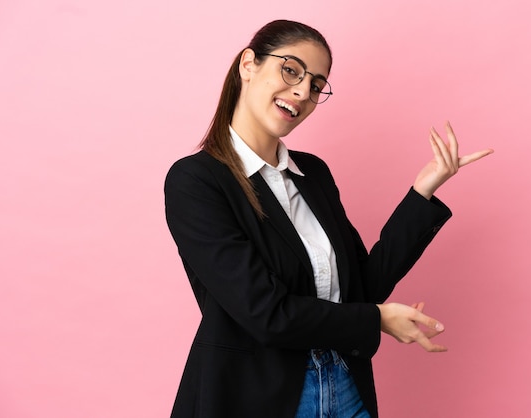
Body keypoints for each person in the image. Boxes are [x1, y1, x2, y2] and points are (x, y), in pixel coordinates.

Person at [164, 19, 493, 418]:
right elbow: (266, 314)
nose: (303, 91)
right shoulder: (195, 181)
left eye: (317, 84)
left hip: (344, 386)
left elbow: (363, 285)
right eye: (291, 70)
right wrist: (375, 319)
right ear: (248, 65)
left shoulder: (313, 174)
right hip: (260, 397)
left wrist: (422, 192)